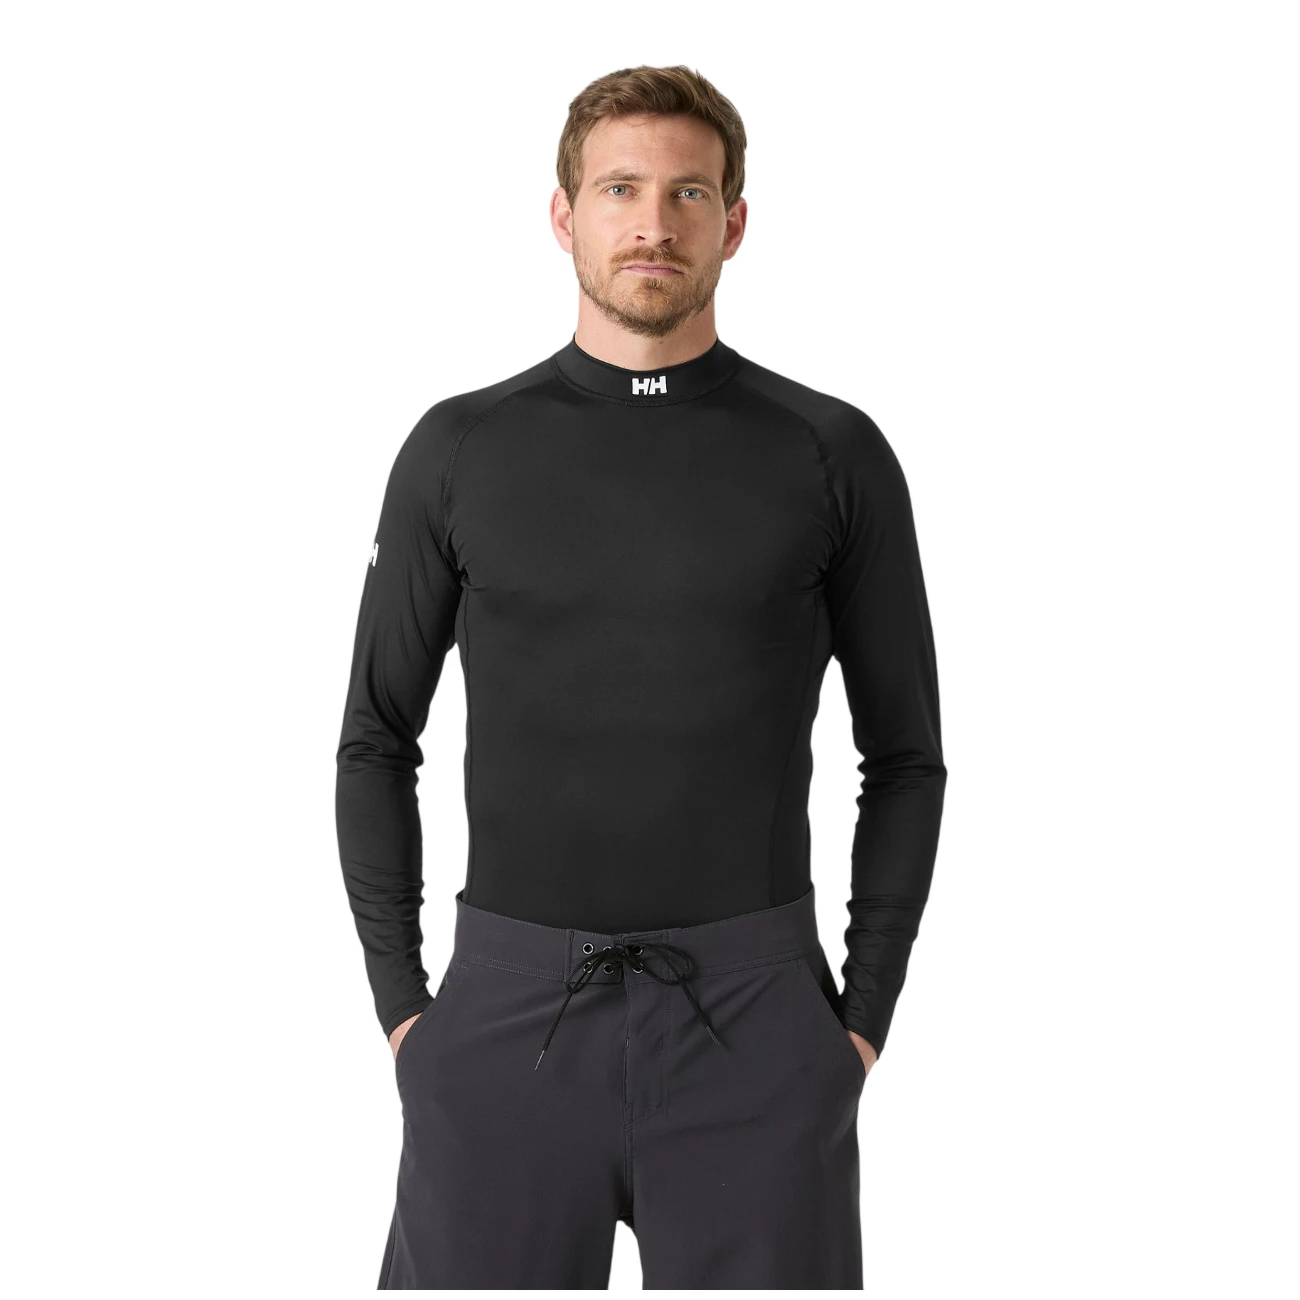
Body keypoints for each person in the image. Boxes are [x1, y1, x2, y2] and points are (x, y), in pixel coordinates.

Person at [335, 63, 947, 1290]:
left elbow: (905, 757)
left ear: (735, 221)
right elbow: (375, 738)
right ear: (563, 214)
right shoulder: (459, 449)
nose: (653, 223)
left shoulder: (830, 454)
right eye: (619, 189)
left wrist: (857, 1023)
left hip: (757, 1028)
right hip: (502, 1022)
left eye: (688, 193)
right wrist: (409, 1014)